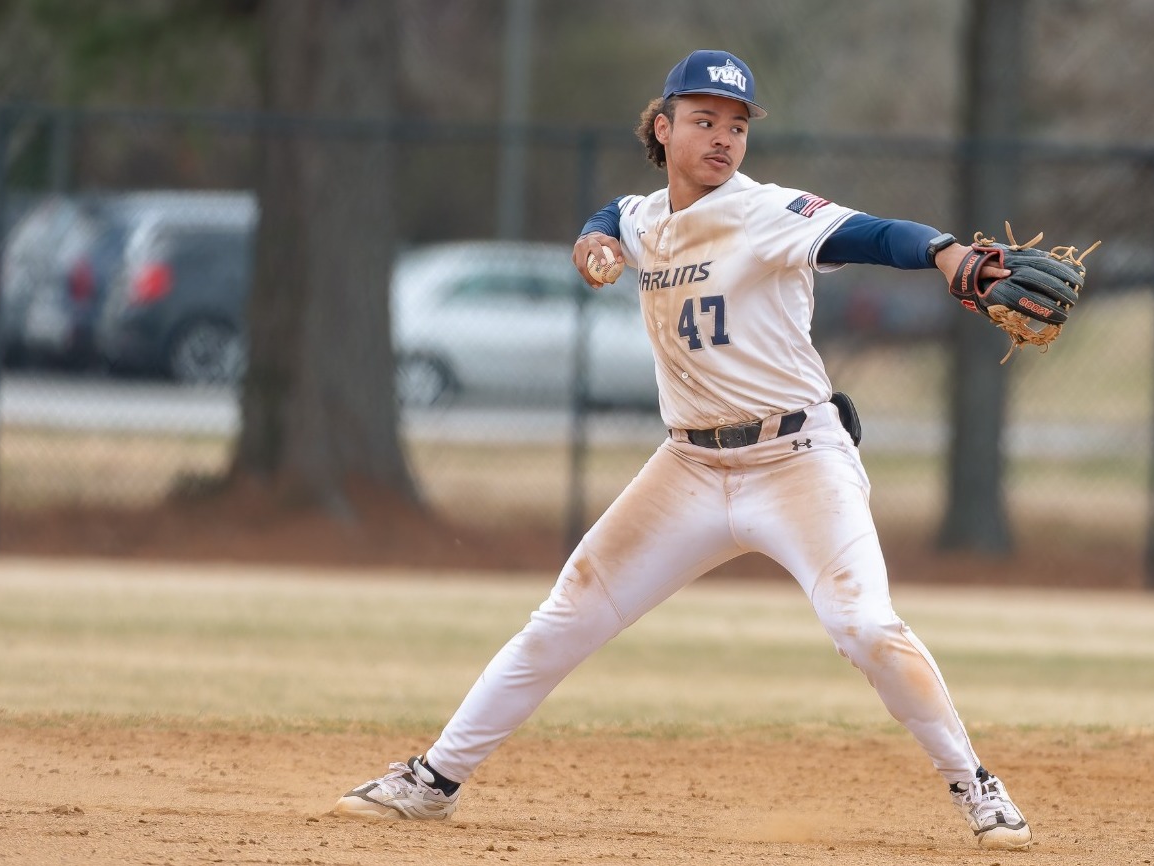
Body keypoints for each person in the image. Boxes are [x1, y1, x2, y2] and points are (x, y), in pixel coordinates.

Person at [333, 48, 1034, 852]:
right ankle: (434, 780)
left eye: (736, 125)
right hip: (690, 469)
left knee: (867, 627)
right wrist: (593, 244)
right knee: (566, 614)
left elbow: (873, 234)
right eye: (704, 120)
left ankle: (974, 783)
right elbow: (610, 219)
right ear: (662, 129)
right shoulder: (643, 218)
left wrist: (945, 252)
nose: (723, 138)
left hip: (797, 460)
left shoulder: (766, 212)